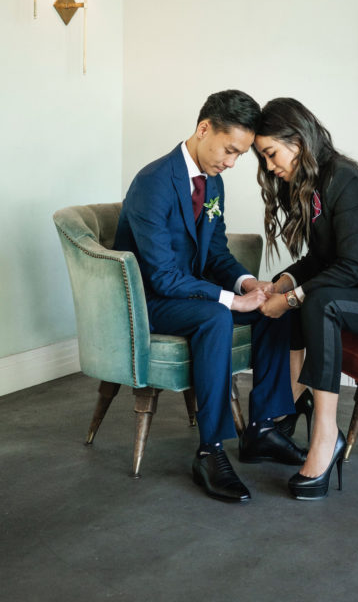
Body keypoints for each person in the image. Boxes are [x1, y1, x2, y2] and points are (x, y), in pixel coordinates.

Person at [114, 89, 306, 503]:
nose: (232, 162)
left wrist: (248, 285)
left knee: (276, 309)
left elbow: (215, 252)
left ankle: (262, 428)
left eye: (241, 155)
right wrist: (228, 301)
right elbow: (162, 277)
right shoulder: (153, 182)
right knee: (215, 316)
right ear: (204, 129)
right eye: (229, 150)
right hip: (150, 302)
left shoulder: (212, 183)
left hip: (189, 295)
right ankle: (210, 450)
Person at [254, 98, 358, 500]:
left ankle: (326, 435)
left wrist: (291, 298)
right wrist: (282, 283)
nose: (269, 166)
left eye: (271, 154)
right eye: (263, 158)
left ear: (297, 140)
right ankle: (288, 405)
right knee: (303, 294)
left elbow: (349, 267)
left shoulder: (346, 179)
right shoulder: (313, 182)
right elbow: (320, 259)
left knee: (318, 301)